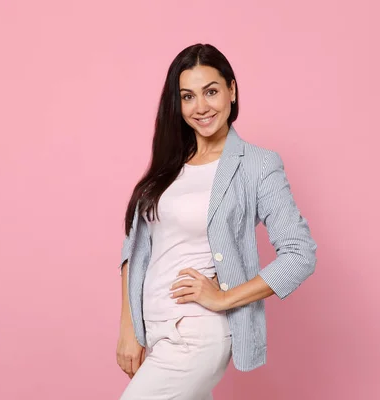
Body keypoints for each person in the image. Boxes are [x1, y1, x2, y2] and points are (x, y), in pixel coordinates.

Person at [116, 43, 317, 399]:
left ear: (232, 90)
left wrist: (226, 298)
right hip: (157, 330)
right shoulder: (168, 165)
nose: (201, 107)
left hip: (197, 333)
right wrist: (129, 329)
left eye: (211, 91)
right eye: (188, 96)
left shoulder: (257, 164)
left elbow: (299, 254)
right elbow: (134, 249)